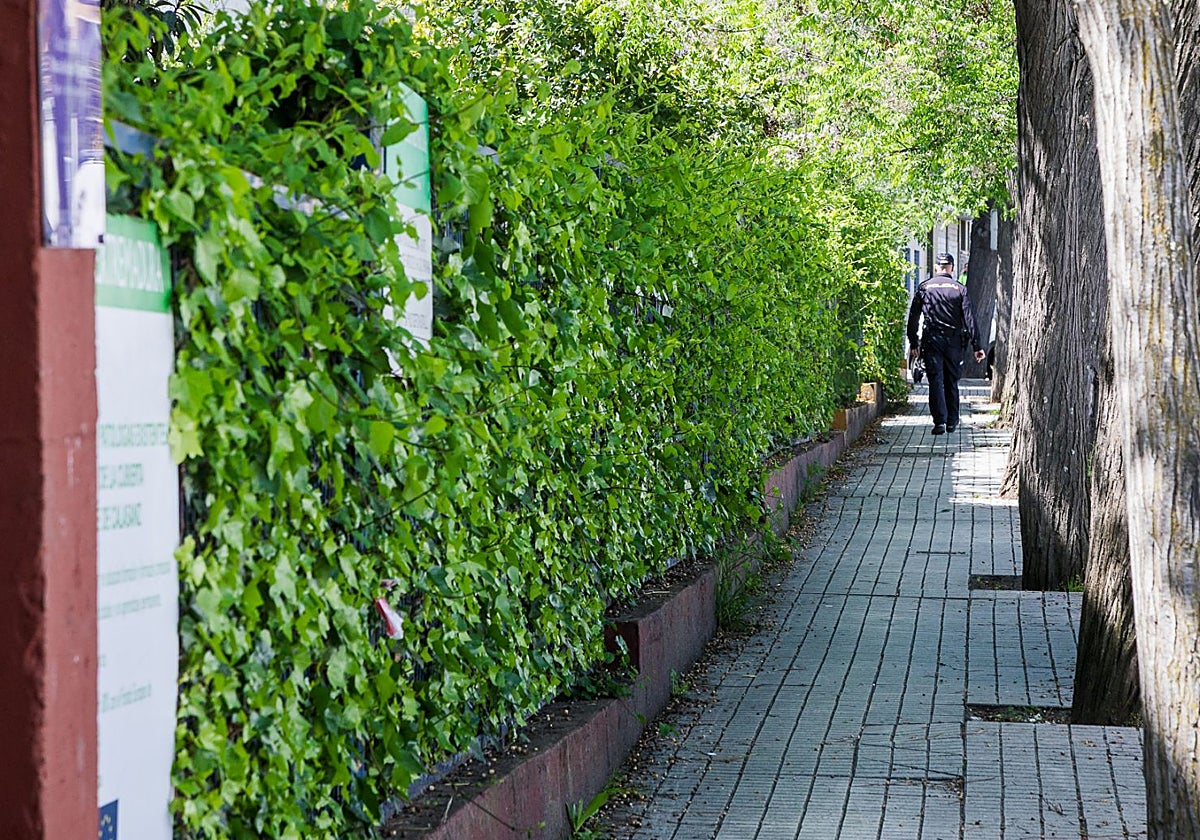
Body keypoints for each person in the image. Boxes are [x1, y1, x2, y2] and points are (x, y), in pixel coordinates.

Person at [907, 253, 986, 434]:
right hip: (954, 342)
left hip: (932, 340)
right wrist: (977, 346)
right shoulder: (959, 289)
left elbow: (913, 318)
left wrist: (913, 343)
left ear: (936, 267)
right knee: (952, 380)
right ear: (951, 267)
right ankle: (952, 420)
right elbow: (969, 318)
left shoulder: (925, 288)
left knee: (936, 380)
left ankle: (939, 422)